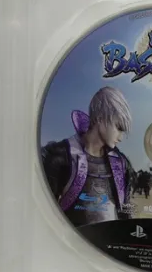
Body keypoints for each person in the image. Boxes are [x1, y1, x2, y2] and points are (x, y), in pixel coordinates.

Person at [41, 86, 137, 227]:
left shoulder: (122, 164)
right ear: (100, 118)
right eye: (118, 127)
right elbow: (43, 212)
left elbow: (125, 212)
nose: (121, 138)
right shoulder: (60, 157)